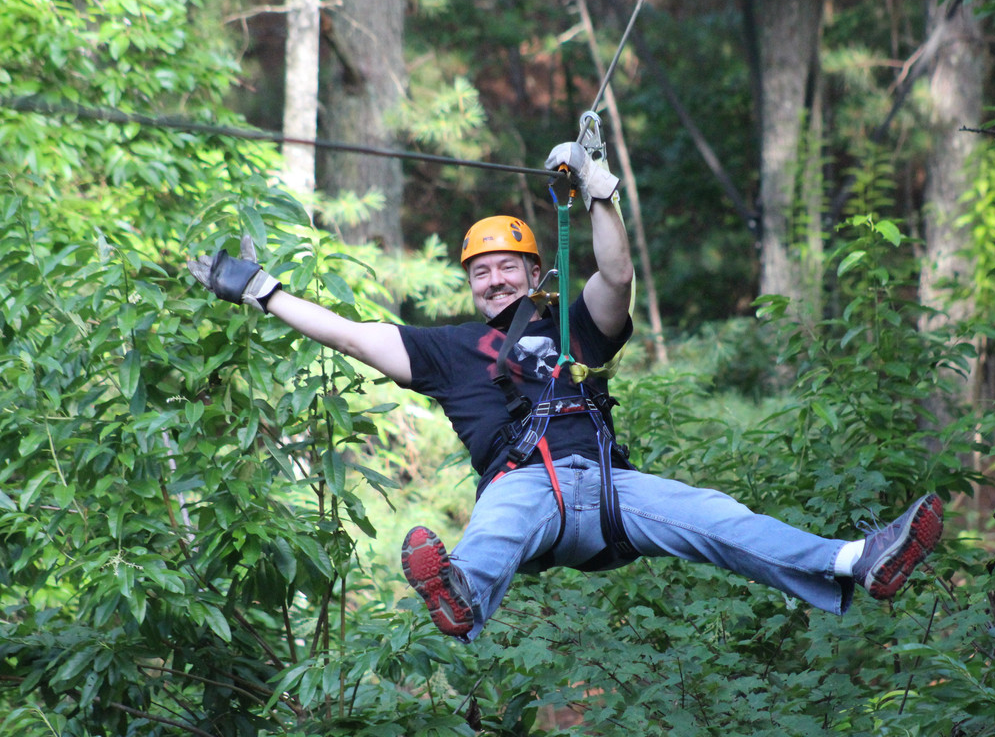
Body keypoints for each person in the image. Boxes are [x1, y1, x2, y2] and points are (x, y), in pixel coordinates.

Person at [188, 142, 944, 644]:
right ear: (469, 285)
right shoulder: (446, 350)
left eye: (506, 265)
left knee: (722, 519)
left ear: (532, 271)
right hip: (524, 489)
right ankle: (460, 597)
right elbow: (352, 334)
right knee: (492, 533)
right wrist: (263, 290)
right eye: (479, 271)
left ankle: (858, 560)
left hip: (612, 490)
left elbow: (618, 277)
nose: (493, 278)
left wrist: (599, 196)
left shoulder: (575, 326)